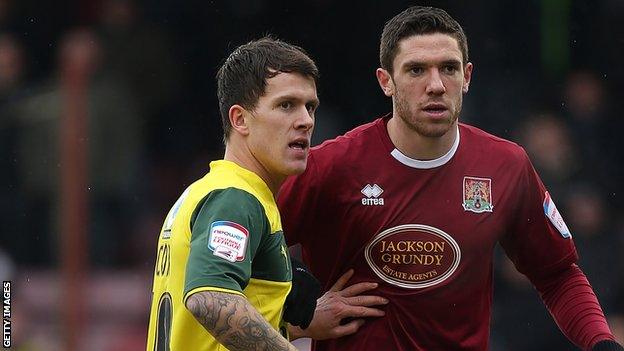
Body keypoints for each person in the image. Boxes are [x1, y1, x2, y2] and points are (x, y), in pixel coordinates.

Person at [277, 6, 624, 351]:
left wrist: (601, 343)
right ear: (386, 81)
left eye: (449, 68)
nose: (436, 85)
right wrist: (295, 320)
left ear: (467, 76)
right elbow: (234, 264)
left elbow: (558, 273)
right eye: (416, 70)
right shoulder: (331, 166)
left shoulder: (505, 165)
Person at [146, 37, 386, 351]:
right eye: (286, 105)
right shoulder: (235, 198)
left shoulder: (205, 191)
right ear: (240, 119)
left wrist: (295, 325)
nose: (305, 120)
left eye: (310, 106)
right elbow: (210, 299)